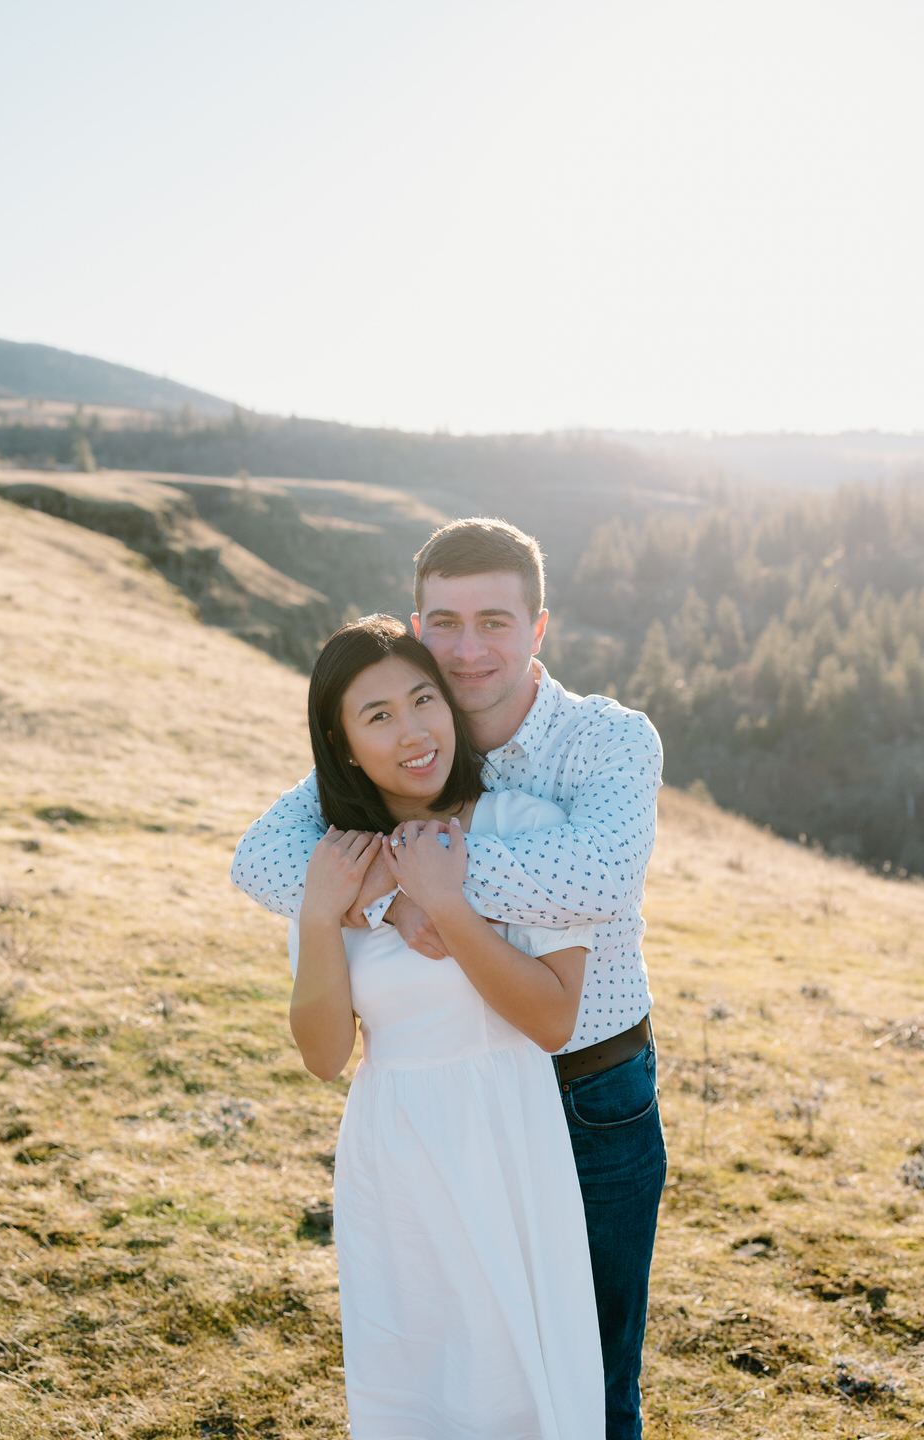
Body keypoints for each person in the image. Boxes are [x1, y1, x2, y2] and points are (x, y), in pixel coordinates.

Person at [232, 517, 666, 1440]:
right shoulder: (409, 720)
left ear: (537, 627)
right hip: (426, 1125)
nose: (469, 649)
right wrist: (385, 894)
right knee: (442, 1375)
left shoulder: (603, 741)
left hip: (589, 1090)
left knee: (587, 1379)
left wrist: (429, 877)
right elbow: (262, 857)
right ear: (417, 624)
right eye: (445, 623)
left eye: (495, 622)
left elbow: (600, 878)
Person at [289, 614, 605, 1439]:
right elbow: (324, 1056)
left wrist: (444, 903)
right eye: (379, 715)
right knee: (419, 1388)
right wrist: (322, 917)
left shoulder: (528, 828)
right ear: (343, 745)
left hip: (509, 1138)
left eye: (423, 699)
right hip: (395, 1151)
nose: (413, 731)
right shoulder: (337, 865)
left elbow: (552, 1019)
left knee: (518, 1386)